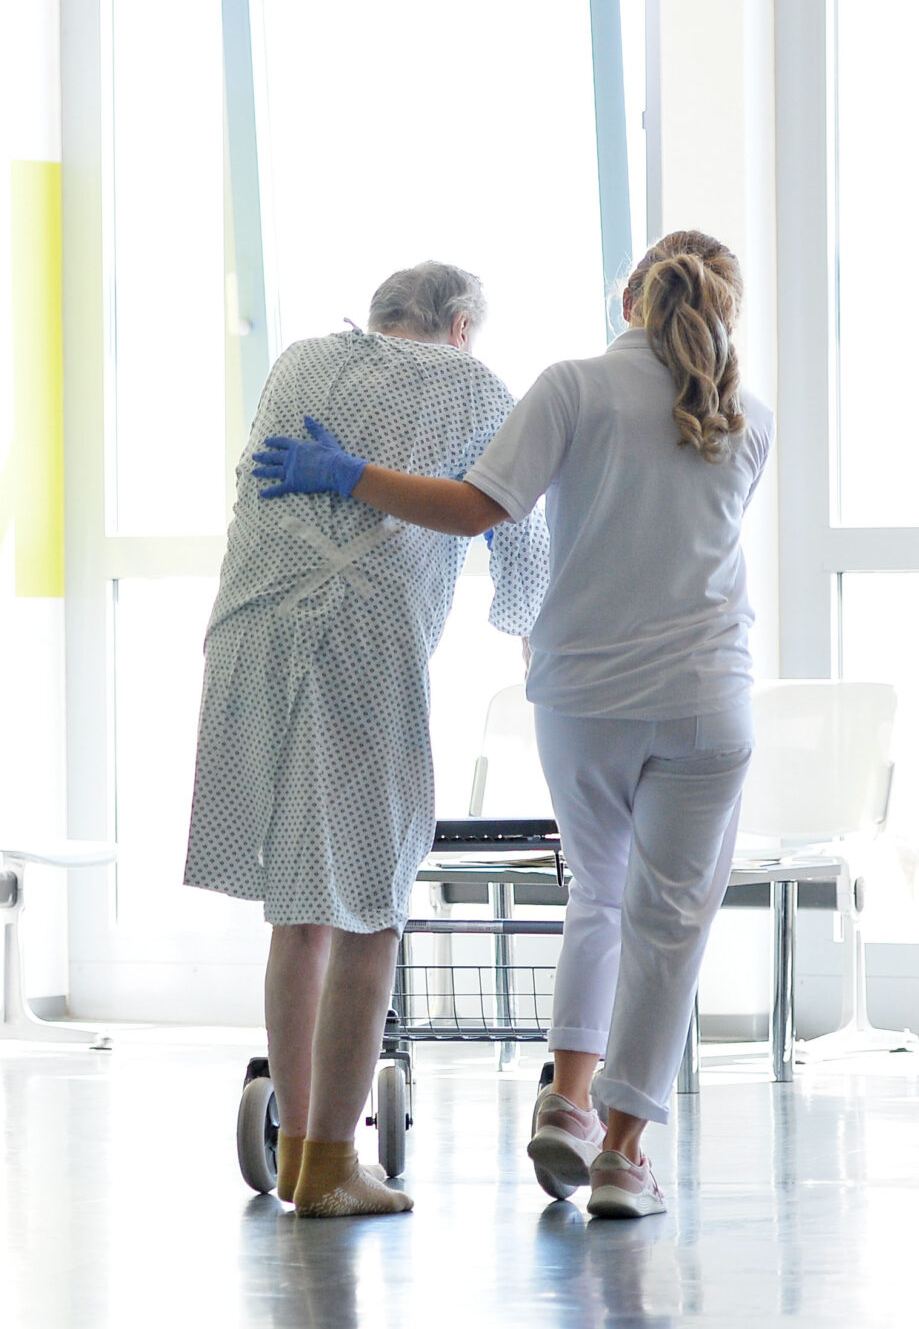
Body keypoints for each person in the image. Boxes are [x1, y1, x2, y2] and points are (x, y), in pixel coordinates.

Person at [251, 230, 768, 1220]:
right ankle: (623, 1153)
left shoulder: (568, 386)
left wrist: (345, 472)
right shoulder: (751, 417)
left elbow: (486, 507)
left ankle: (563, 1103)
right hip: (707, 694)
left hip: (582, 694)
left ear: (628, 300)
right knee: (672, 927)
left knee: (597, 898)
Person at [186, 261, 549, 1219]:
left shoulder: (301, 361)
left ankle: (307, 1149)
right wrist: (533, 645)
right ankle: (332, 1163)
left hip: (249, 632)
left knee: (298, 908)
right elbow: (520, 539)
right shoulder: (473, 384)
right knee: (370, 906)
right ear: (462, 325)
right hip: (357, 647)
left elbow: (249, 489)